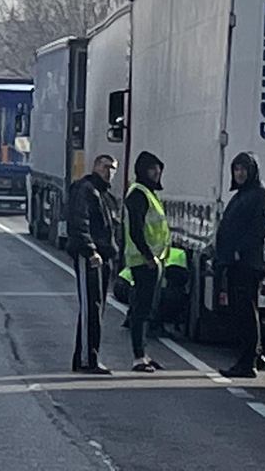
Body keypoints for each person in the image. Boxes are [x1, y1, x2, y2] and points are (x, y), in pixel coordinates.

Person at [215, 152, 265, 378]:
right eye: (236, 169)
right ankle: (256, 355)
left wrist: (239, 251)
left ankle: (248, 362)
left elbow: (261, 228)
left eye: (243, 170)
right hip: (236, 262)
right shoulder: (242, 194)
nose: (239, 174)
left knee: (246, 313)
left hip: (248, 264)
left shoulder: (260, 195)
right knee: (241, 313)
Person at [67, 154, 119, 375]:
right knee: (91, 308)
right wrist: (90, 251)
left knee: (97, 308)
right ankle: (87, 360)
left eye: (112, 169)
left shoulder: (106, 195)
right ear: (96, 166)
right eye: (105, 167)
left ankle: (87, 356)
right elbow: (79, 222)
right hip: (91, 257)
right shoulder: (85, 189)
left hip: (104, 257)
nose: (109, 172)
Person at [123, 151, 170, 373]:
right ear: (142, 170)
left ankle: (144, 354)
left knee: (148, 309)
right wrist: (148, 256)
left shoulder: (149, 193)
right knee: (141, 311)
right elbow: (135, 229)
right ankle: (138, 357)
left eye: (158, 168)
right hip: (144, 262)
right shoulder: (138, 194)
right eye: (152, 168)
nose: (156, 172)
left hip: (153, 261)